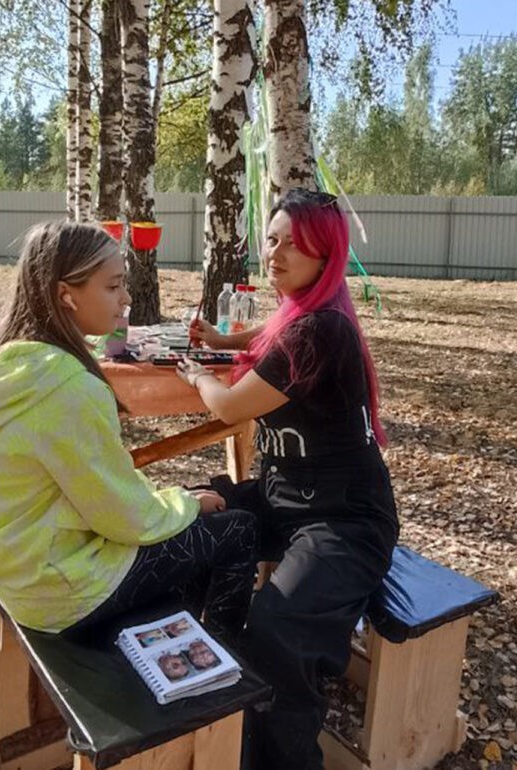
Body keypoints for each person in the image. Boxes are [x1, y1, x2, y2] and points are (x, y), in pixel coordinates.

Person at [0, 220, 257, 643]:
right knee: (237, 529)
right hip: (59, 589)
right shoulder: (66, 387)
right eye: (113, 286)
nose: (127, 299)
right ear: (67, 294)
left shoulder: (7, 363)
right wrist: (183, 506)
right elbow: (123, 515)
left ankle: (171, 646)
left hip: (16, 566)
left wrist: (174, 503)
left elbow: (94, 487)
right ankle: (217, 680)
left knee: (189, 514)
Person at [181, 188, 399, 770]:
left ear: (325, 258)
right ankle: (214, 694)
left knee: (281, 629)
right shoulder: (301, 318)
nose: (275, 253)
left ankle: (281, 757)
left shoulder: (321, 330)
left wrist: (196, 373)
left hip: (345, 520)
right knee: (191, 516)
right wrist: (223, 342)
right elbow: (267, 339)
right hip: (287, 498)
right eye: (272, 238)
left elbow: (227, 408)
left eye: (294, 246)